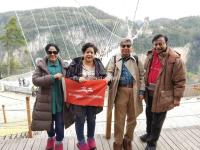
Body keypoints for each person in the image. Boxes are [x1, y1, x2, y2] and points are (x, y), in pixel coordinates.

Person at [140, 34, 186, 150]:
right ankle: (149, 134)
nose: (158, 46)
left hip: (162, 95)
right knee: (149, 116)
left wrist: (177, 98)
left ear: (166, 43)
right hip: (149, 93)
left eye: (161, 43)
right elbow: (145, 71)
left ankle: (152, 143)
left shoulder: (174, 59)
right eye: (156, 44)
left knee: (157, 121)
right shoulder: (150, 55)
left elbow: (180, 81)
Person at [32, 43, 74, 150]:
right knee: (48, 125)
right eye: (50, 52)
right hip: (46, 102)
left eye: (54, 52)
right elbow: (35, 80)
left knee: (60, 125)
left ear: (57, 52)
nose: (52, 54)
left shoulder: (64, 65)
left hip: (60, 101)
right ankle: (51, 138)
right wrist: (52, 77)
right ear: (47, 52)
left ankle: (59, 142)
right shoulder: (41, 65)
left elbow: (71, 78)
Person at [66, 42, 106, 150]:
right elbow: (68, 77)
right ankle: (81, 141)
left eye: (92, 52)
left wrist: (101, 80)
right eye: (87, 52)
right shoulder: (75, 64)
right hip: (79, 97)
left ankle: (90, 138)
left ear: (94, 54)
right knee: (80, 119)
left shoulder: (98, 64)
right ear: (83, 53)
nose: (89, 54)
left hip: (93, 97)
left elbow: (104, 76)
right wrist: (77, 79)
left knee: (92, 119)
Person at [106, 38, 145, 150]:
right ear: (120, 47)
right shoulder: (114, 59)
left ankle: (128, 140)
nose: (126, 48)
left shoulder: (136, 59)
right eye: (123, 46)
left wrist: (142, 91)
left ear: (131, 47)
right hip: (120, 91)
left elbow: (142, 76)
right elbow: (109, 72)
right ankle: (118, 142)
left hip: (134, 91)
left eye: (128, 46)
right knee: (119, 119)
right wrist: (108, 79)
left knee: (132, 119)